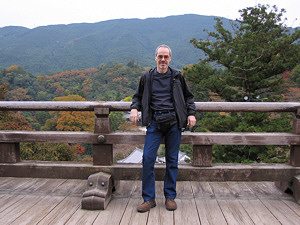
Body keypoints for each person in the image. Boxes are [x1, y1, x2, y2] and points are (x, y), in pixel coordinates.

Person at [130, 44, 196, 213]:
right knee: (147, 158)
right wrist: (134, 108)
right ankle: (149, 199)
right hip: (154, 122)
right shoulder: (147, 77)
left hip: (174, 122)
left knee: (172, 160)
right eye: (160, 56)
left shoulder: (177, 77)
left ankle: (170, 197)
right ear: (155, 58)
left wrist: (191, 113)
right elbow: (137, 96)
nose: (163, 60)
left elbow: (189, 97)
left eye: (166, 57)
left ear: (170, 59)